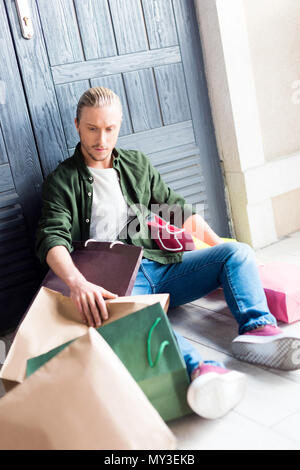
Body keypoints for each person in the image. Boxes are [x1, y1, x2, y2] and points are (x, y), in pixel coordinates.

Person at [36, 87, 300, 420]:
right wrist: (77, 283)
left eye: (110, 128)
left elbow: (175, 208)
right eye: (92, 128)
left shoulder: (135, 163)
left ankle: (258, 332)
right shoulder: (62, 181)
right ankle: (202, 371)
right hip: (118, 282)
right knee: (134, 315)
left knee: (237, 252)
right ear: (77, 125)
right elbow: (51, 237)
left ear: (119, 125)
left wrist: (221, 249)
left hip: (158, 266)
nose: (102, 138)